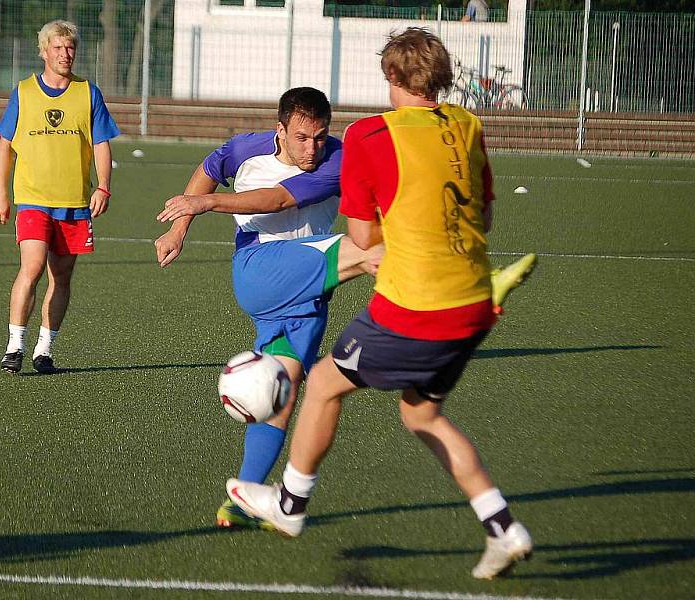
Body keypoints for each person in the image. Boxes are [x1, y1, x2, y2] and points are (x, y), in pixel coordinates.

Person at [226, 28, 534, 581]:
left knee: (320, 385)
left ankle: (290, 508)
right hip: (472, 303)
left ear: (392, 77)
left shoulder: (371, 134)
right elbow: (484, 218)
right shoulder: (467, 125)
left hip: (416, 305)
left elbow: (362, 237)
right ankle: (503, 528)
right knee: (422, 413)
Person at [156, 86, 535, 534]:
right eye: (300, 138)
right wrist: (181, 227)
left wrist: (207, 203)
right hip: (259, 272)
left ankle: (243, 498)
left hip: (308, 295)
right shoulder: (245, 149)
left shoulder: (337, 159)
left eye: (318, 136)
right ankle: (471, 285)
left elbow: (278, 199)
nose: (311, 148)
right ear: (280, 131)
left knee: (282, 389)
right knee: (365, 250)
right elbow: (208, 170)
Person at [0, 19, 119, 374]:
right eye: (58, 48)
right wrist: (0, 192)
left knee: (61, 278)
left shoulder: (88, 93)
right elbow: (5, 147)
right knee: (31, 268)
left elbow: (100, 143)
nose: (65, 54)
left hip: (75, 204)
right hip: (32, 199)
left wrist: (103, 185)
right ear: (44, 51)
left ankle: (44, 349)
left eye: (70, 47)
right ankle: (14, 346)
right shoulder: (24, 91)